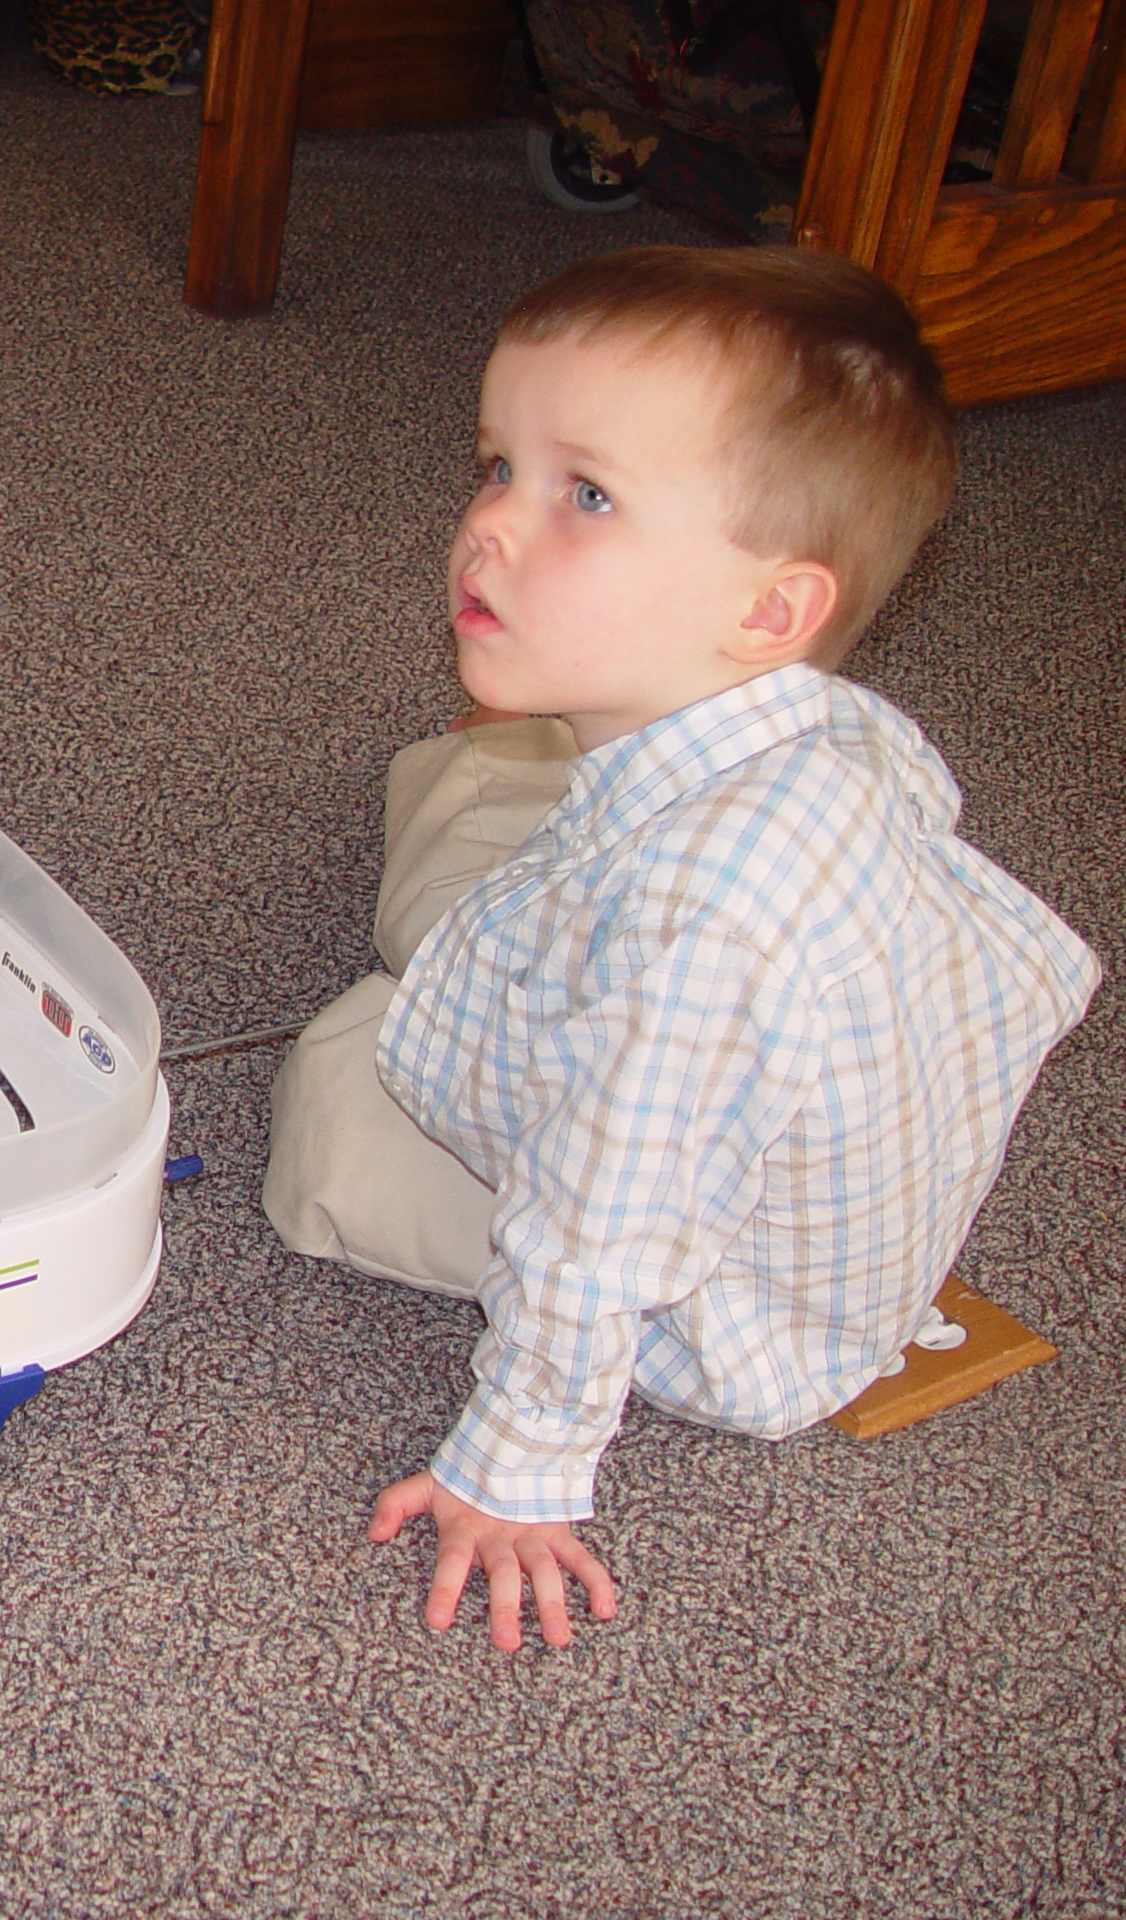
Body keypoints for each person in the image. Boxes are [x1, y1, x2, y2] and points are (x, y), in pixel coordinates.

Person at [259, 247, 1101, 1654]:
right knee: (489, 782)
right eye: (496, 467)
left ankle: (435, 939)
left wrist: (518, 1468)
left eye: (584, 495)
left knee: (335, 1094)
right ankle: (493, 814)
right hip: (639, 944)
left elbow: (600, 1239)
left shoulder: (701, 935)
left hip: (711, 1304)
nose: (492, 529)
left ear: (769, 611)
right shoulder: (822, 722)